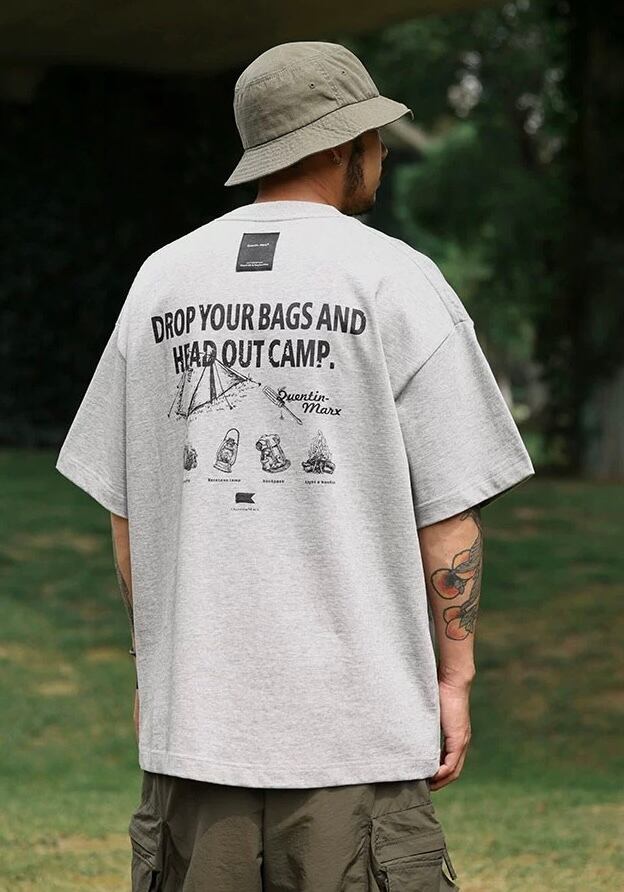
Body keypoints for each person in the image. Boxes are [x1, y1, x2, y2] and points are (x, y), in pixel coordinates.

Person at [55, 40, 535, 891]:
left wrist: (152, 665)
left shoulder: (160, 282)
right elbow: (448, 516)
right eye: (374, 139)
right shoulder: (397, 279)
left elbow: (127, 512)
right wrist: (456, 679)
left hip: (198, 727)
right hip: (358, 734)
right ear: (346, 146)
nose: (380, 157)